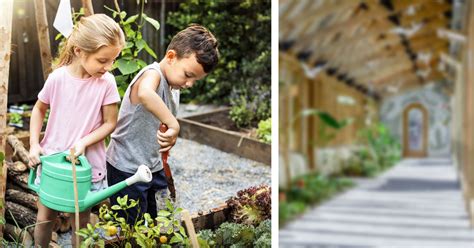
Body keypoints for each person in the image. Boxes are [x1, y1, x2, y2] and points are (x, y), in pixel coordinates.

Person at [106, 24, 219, 224]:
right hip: (127, 167)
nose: (189, 84)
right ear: (171, 57)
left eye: (195, 80)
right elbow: (145, 93)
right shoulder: (153, 74)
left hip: (152, 166)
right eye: (188, 75)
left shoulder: (174, 86)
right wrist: (173, 124)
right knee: (132, 229)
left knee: (155, 222)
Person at [28, 14, 125, 247]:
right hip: (53, 162)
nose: (108, 67)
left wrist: (84, 142)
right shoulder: (57, 78)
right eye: (103, 60)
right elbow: (39, 109)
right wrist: (33, 143)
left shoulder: (107, 82)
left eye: (113, 60)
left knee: (81, 221)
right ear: (80, 51)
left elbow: (110, 123)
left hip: (87, 165)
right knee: (44, 219)